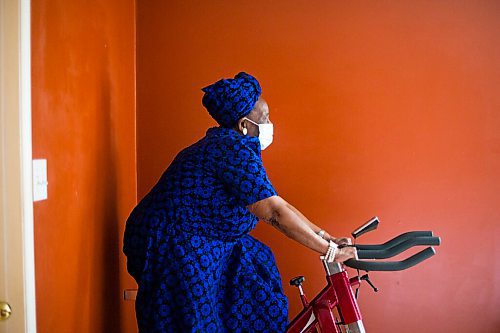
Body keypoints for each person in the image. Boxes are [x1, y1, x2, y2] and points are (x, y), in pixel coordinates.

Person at [123, 72, 357, 333]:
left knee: (256, 267)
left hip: (207, 237)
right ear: (245, 126)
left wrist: (326, 238)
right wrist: (329, 251)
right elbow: (274, 213)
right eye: (265, 118)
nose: (270, 123)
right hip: (171, 240)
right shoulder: (232, 148)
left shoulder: (232, 145)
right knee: (192, 318)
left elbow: (279, 204)